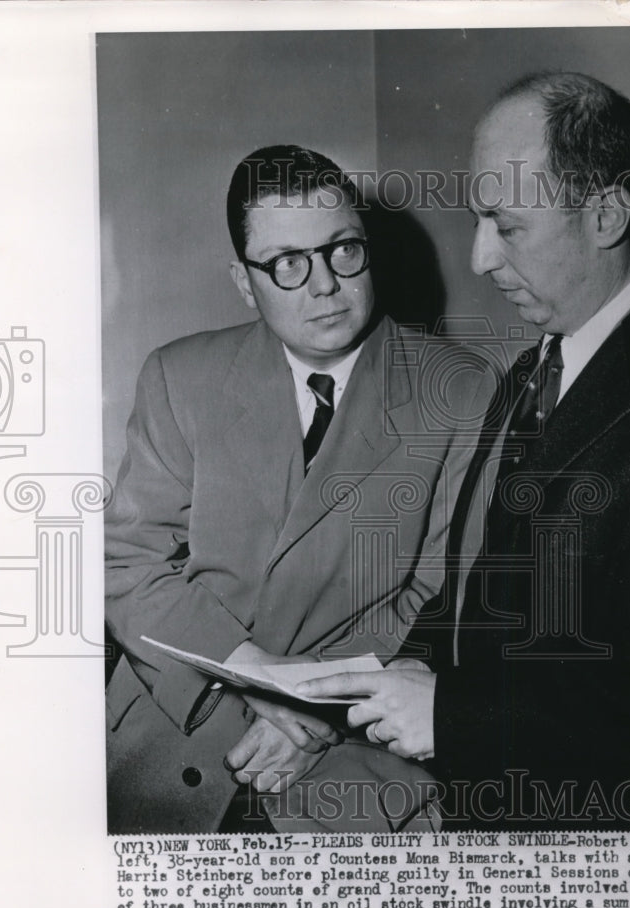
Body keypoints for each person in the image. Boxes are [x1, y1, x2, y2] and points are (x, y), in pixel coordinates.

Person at [299, 73, 630, 830]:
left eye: (506, 227)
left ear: (606, 214)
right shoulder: (532, 370)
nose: (478, 258)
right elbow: (477, 584)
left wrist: (456, 716)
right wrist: (404, 671)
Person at [105, 145, 486, 834]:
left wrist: (310, 705)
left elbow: (437, 593)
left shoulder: (460, 389)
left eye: (343, 250)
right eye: (287, 263)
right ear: (244, 283)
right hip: (181, 719)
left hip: (353, 740)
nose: (324, 286)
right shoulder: (179, 376)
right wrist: (256, 683)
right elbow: (129, 563)